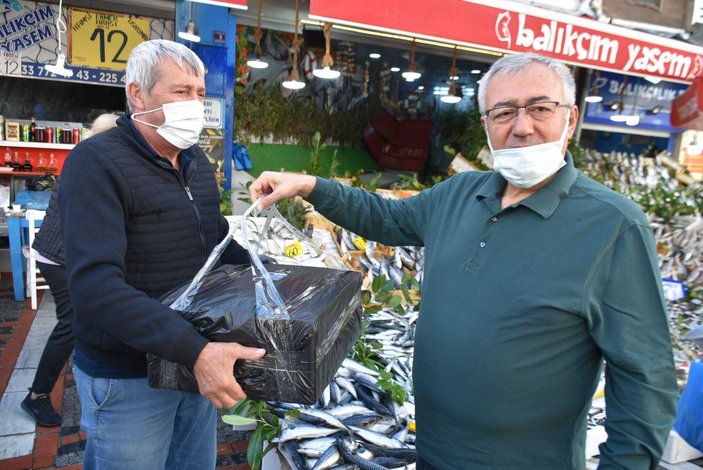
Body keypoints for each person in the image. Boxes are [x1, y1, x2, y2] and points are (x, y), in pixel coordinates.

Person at [249, 53, 678, 469]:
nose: (522, 127)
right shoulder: (459, 193)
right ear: (487, 124)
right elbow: (387, 217)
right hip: (433, 451)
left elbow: (644, 377)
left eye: (540, 108)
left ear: (571, 118)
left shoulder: (614, 226)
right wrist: (309, 185)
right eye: (504, 112)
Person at [59, 39, 265, 469]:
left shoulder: (193, 162)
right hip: (130, 375)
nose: (195, 103)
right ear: (138, 94)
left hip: (190, 365)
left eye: (199, 93)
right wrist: (195, 350)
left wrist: (272, 277)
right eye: (181, 92)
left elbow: (213, 239)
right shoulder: (95, 163)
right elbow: (95, 287)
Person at [20, 114, 120, 427]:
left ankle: (88, 373)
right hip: (58, 255)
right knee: (72, 321)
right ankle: (36, 395)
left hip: (65, 253)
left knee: (91, 316)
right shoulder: (90, 163)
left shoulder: (92, 159)